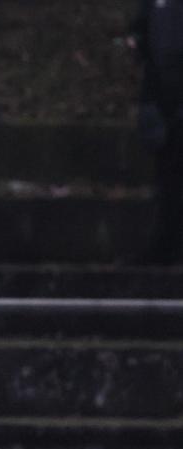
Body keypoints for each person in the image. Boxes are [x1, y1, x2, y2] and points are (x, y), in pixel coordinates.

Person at [129, 0, 183, 264]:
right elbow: (142, 32)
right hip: (163, 101)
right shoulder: (154, 6)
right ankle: (164, 248)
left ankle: (166, 248)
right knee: (168, 181)